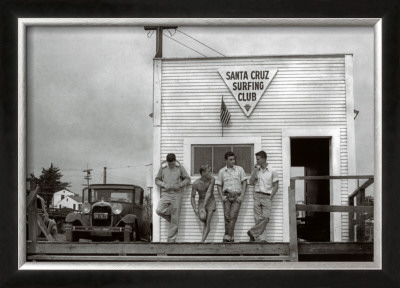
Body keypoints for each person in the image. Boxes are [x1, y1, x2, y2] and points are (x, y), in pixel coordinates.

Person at [155, 153, 191, 242]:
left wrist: (180, 185)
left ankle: (171, 241)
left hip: (176, 194)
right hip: (166, 194)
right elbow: (157, 180)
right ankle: (174, 221)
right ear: (167, 162)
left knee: (175, 218)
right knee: (159, 210)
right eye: (169, 164)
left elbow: (187, 179)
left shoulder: (179, 167)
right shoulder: (163, 167)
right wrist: (163, 184)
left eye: (172, 164)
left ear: (175, 161)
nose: (171, 165)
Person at [247, 150, 279, 242]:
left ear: (264, 159)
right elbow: (251, 182)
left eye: (258, 159)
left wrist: (270, 197)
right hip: (257, 195)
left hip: (267, 196)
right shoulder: (257, 170)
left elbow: (276, 186)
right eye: (256, 159)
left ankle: (252, 232)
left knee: (266, 217)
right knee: (258, 219)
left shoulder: (272, 170)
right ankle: (262, 239)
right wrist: (254, 171)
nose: (257, 161)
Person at [216, 151, 247, 242]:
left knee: (232, 217)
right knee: (227, 217)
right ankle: (231, 238)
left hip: (237, 196)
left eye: (234, 159)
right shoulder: (222, 171)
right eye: (230, 160)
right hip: (227, 196)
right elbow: (218, 184)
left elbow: (245, 182)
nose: (233, 161)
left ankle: (227, 236)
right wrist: (222, 196)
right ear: (226, 161)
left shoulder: (240, 169)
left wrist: (242, 196)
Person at [191, 164, 216, 243]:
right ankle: (204, 235)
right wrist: (195, 208)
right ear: (203, 172)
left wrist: (203, 207)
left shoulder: (212, 179)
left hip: (211, 200)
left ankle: (202, 242)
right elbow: (192, 197)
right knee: (202, 218)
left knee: (208, 222)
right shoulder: (196, 183)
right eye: (208, 172)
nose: (210, 173)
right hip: (201, 201)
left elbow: (208, 193)